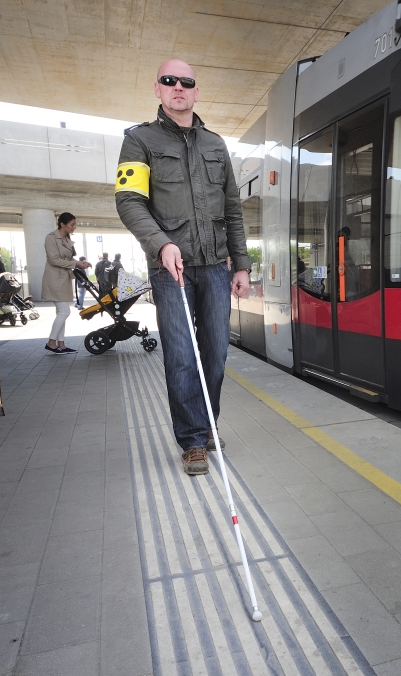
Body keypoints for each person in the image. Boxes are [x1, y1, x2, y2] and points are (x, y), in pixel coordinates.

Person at [116, 58, 251, 475]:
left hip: (214, 267)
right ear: (157, 89)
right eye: (169, 81)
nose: (178, 87)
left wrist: (241, 264)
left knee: (215, 353)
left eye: (186, 82)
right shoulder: (139, 141)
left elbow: (232, 209)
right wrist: (160, 245)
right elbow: (129, 202)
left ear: (196, 91)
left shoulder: (216, 145)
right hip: (169, 268)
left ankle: (208, 423)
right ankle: (193, 439)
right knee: (180, 355)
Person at [42, 212, 91, 354]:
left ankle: (61, 344)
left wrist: (80, 263)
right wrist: (76, 264)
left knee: (61, 312)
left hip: (64, 278)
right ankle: (51, 342)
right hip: (54, 279)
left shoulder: (67, 238)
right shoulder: (51, 238)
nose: (74, 227)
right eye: (72, 224)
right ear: (62, 224)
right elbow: (54, 260)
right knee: (64, 311)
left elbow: (69, 259)